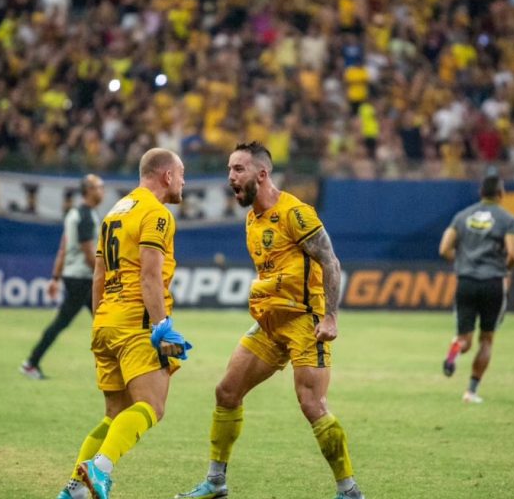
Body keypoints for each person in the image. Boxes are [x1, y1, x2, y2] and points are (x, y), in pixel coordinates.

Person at [176, 141, 365, 499]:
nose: (230, 177)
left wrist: (330, 317)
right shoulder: (251, 219)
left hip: (305, 323)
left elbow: (331, 261)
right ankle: (216, 482)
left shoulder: (296, 213)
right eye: (230, 169)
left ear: (262, 174)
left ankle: (350, 490)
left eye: (238, 170)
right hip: (268, 324)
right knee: (226, 392)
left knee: (312, 405)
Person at [57, 149, 190, 499]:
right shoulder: (156, 214)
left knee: (115, 413)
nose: (183, 181)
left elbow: (98, 277)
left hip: (106, 321)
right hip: (137, 322)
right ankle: (99, 470)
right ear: (166, 176)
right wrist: (161, 328)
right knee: (152, 406)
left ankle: (74, 490)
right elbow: (149, 276)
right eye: (181, 174)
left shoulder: (114, 212)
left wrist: (100, 321)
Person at [438, 173, 514, 403]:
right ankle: (470, 391)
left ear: (480, 193)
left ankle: (456, 347)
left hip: (466, 282)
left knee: (465, 339)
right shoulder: (507, 220)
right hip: (492, 282)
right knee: (486, 339)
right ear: (501, 194)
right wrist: (504, 268)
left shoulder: (462, 216)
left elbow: (444, 248)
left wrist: (464, 263)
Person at [21, 174, 106, 379]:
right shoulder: (86, 217)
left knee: (101, 320)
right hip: (83, 278)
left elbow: (63, 248)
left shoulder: (75, 214)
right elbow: (88, 254)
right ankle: (31, 362)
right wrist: (108, 276)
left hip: (74, 276)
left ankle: (32, 362)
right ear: (88, 191)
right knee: (98, 319)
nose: (102, 191)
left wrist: (55, 277)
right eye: (98, 187)